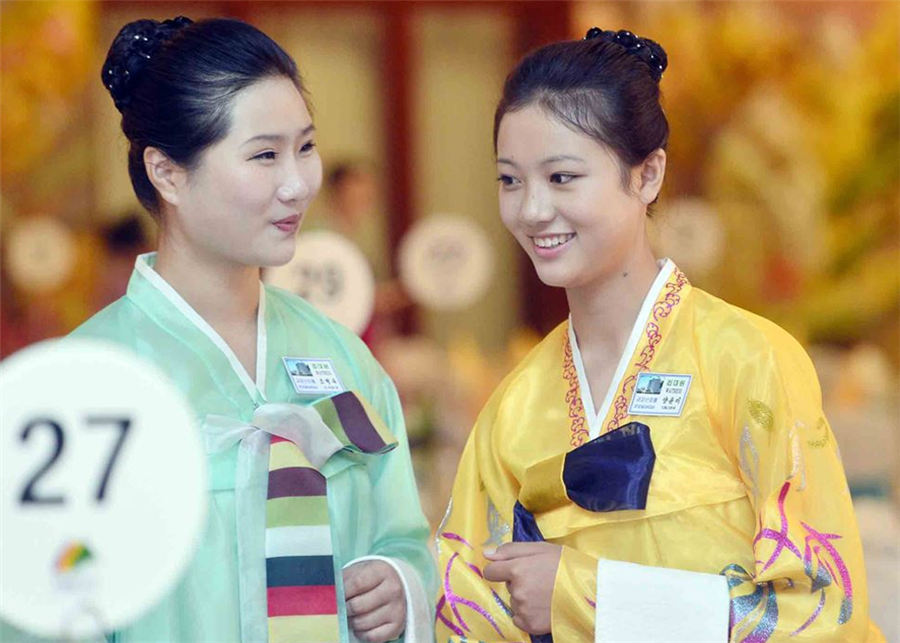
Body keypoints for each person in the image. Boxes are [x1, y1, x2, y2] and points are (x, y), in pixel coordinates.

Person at [435, 28, 883, 643]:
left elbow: (826, 611)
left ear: (647, 176)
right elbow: (467, 604)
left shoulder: (748, 360)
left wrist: (586, 597)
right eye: (510, 180)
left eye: (562, 177)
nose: (532, 209)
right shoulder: (514, 404)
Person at [67, 16, 434, 643]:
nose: (298, 184)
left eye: (306, 147)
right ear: (168, 173)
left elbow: (403, 533)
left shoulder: (342, 356)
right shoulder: (85, 382)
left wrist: (401, 583)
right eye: (264, 155)